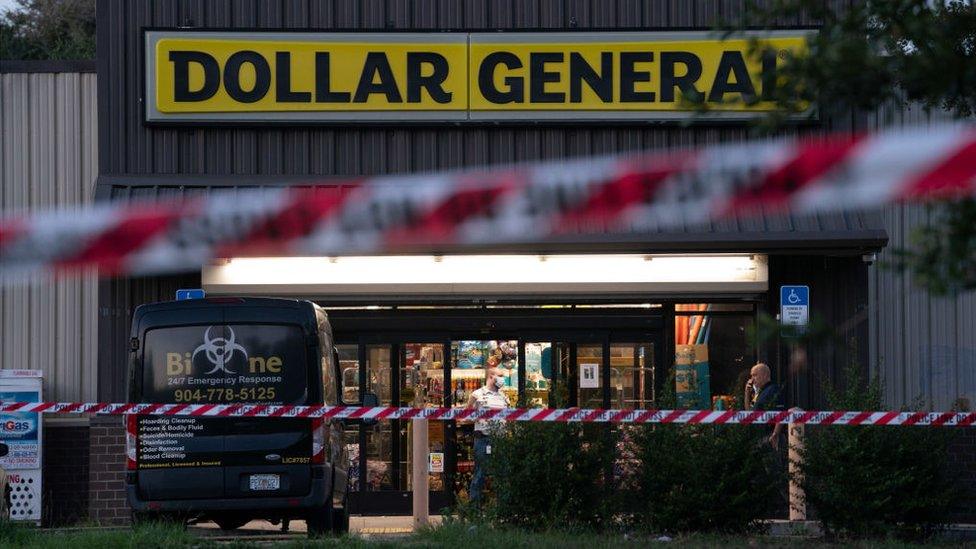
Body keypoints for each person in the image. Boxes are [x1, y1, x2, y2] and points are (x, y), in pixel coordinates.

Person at [465, 366, 510, 505]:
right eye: (500, 375)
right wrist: (476, 417)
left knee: (502, 475)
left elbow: (509, 416)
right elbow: (467, 416)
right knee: (480, 474)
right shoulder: (477, 395)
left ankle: (502, 510)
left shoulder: (504, 397)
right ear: (491, 376)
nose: (503, 378)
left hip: (500, 439)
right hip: (483, 439)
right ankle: (474, 510)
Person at [745, 362, 786, 449]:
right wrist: (747, 393)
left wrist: (775, 434)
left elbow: (781, 413)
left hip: (769, 437)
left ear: (764, 375)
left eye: (754, 375)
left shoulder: (773, 390)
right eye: (751, 376)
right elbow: (749, 413)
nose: (752, 379)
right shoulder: (760, 392)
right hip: (758, 438)